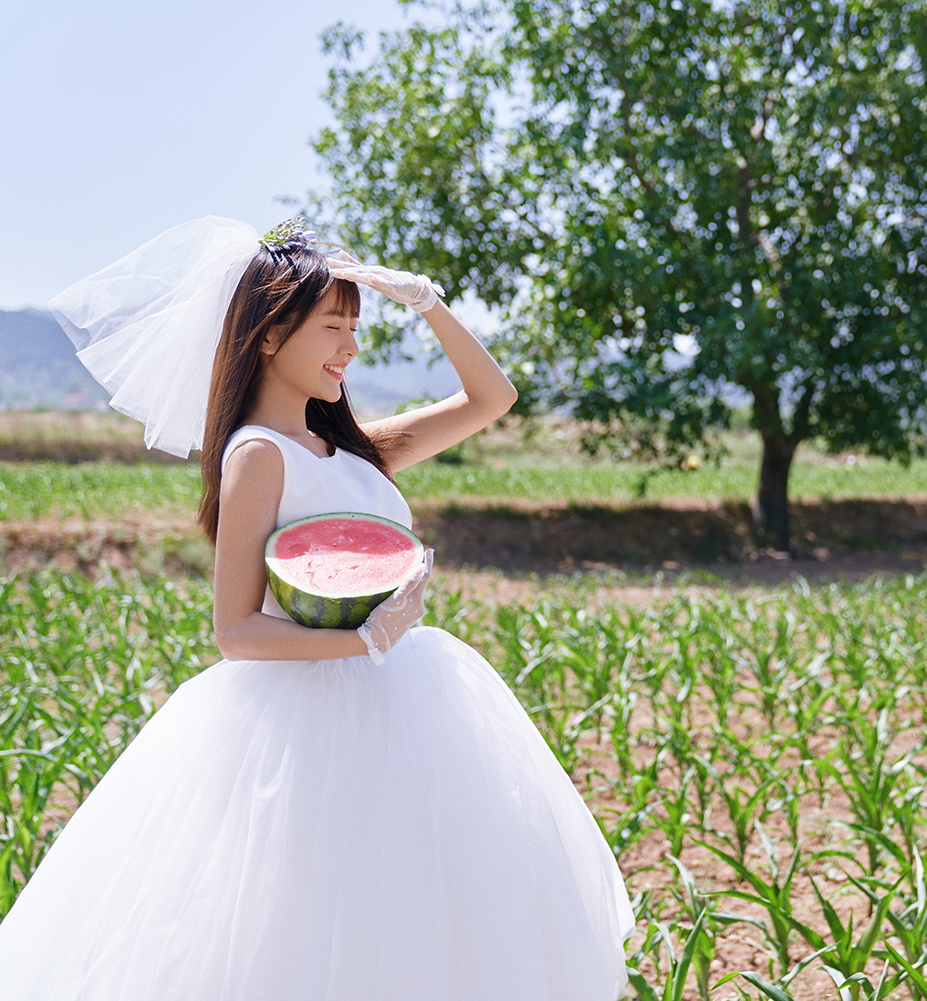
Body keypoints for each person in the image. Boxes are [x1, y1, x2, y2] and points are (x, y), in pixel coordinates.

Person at [0, 217, 634, 1000]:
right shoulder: (257, 455)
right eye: (334, 326)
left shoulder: (360, 448)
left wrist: (426, 300)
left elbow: (491, 397)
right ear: (270, 336)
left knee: (404, 909)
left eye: (355, 327)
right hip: (307, 715)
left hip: (400, 695)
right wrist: (367, 640)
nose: (351, 347)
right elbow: (235, 631)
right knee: (309, 917)